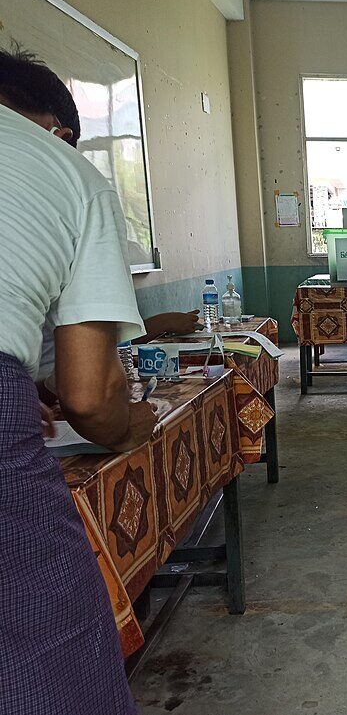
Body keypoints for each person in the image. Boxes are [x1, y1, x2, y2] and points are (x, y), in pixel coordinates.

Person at [0, 47, 158, 714]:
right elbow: (90, 398)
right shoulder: (68, 172)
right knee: (49, 647)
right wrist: (133, 424)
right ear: (60, 130)